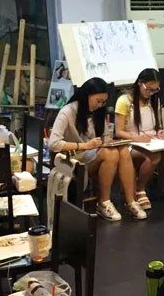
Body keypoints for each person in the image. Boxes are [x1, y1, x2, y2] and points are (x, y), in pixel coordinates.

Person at [48, 77, 147, 221]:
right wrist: (84, 146)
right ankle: (103, 202)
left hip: (93, 153)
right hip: (73, 159)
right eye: (98, 101)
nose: (100, 105)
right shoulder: (67, 112)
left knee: (123, 150)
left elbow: (105, 136)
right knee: (110, 154)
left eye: (103, 102)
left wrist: (112, 142)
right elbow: (54, 143)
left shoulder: (98, 112)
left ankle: (131, 201)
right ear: (87, 96)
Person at [116, 68, 164, 208]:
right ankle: (140, 189)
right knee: (153, 156)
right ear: (140, 83)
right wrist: (136, 137)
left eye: (155, 90)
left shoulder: (154, 100)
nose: (151, 93)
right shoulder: (124, 101)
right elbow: (119, 132)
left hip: (151, 140)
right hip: (131, 141)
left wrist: (160, 133)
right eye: (148, 89)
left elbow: (157, 126)